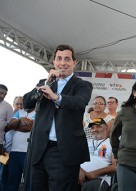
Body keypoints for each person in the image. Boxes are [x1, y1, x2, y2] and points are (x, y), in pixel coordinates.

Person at [23, 44, 93, 191]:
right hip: (39, 150)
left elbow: (79, 102)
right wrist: (47, 82)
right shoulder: (45, 82)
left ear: (74, 63)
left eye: (67, 59)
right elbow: (27, 102)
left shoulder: (82, 85)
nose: (63, 63)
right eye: (59, 59)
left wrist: (56, 97)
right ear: (54, 62)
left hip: (64, 152)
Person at [79, 118, 116, 191]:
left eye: (98, 126)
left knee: (89, 187)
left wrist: (96, 173)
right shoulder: (86, 142)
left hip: (99, 178)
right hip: (79, 174)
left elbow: (115, 166)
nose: (95, 129)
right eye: (93, 127)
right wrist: (80, 170)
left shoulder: (112, 143)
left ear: (106, 127)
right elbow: (75, 159)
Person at [6, 108, 35, 191]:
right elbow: (10, 125)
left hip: (28, 152)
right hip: (14, 151)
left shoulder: (38, 111)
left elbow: (30, 127)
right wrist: (20, 120)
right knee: (12, 180)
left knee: (28, 182)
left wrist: (16, 127)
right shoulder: (19, 112)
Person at [0, 84, 13, 191]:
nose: (2, 96)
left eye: (4, 94)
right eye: (1, 93)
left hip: (0, 144)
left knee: (0, 174)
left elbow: (9, 126)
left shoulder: (8, 107)